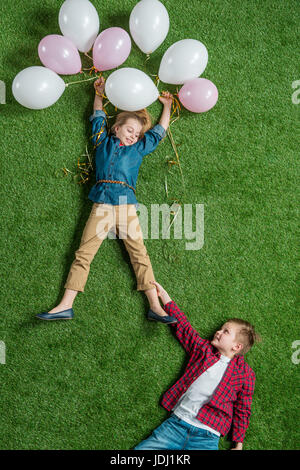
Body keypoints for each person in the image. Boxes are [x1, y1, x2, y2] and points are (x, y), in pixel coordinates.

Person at [36, 77, 176, 324]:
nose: (134, 135)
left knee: (140, 255)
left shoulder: (138, 149)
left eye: (137, 133)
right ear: (116, 128)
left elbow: (158, 133)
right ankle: (65, 305)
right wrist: (99, 93)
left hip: (126, 206)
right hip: (101, 205)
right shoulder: (102, 141)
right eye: (129, 130)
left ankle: (155, 306)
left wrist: (166, 107)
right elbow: (98, 116)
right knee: (83, 254)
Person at [134, 281, 261, 450]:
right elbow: (184, 328)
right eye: (221, 329)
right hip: (176, 425)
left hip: (207, 436)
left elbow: (243, 408)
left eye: (225, 332)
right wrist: (165, 298)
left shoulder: (245, 374)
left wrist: (238, 444)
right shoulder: (203, 350)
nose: (218, 332)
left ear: (236, 347)